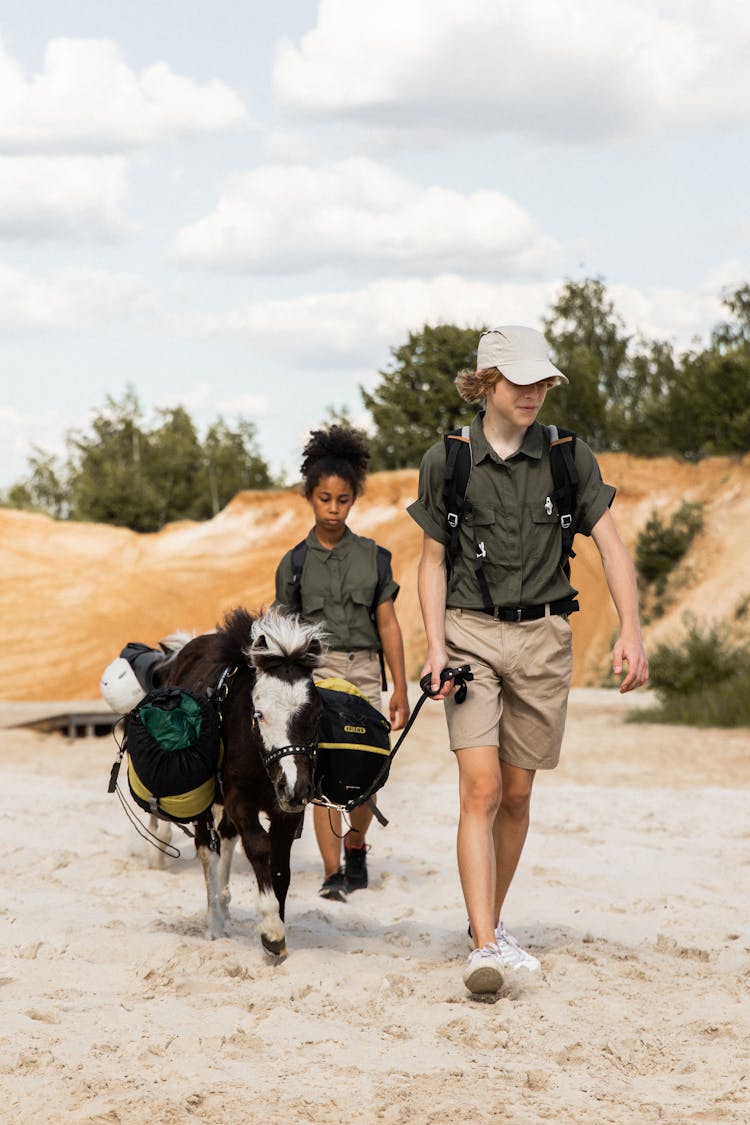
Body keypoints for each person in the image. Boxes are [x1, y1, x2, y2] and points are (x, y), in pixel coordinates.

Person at [406, 325, 649, 995]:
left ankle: (491, 920)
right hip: (470, 637)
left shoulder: (570, 458)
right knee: (480, 788)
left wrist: (631, 627)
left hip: (545, 638)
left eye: (542, 380)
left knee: (517, 793)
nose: (534, 393)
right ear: (487, 382)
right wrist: (434, 643)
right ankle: (483, 944)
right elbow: (430, 563)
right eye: (520, 381)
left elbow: (612, 546)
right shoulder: (447, 461)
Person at [275, 425, 410, 902]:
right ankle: (333, 874)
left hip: (366, 669)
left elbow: (389, 625)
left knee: (367, 768)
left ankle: (356, 842)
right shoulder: (292, 564)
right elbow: (283, 635)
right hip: (317, 674)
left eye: (343, 500)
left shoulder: (374, 559)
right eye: (325, 499)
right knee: (319, 773)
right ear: (309, 497)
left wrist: (400, 687)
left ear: (354, 501)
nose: (333, 509)